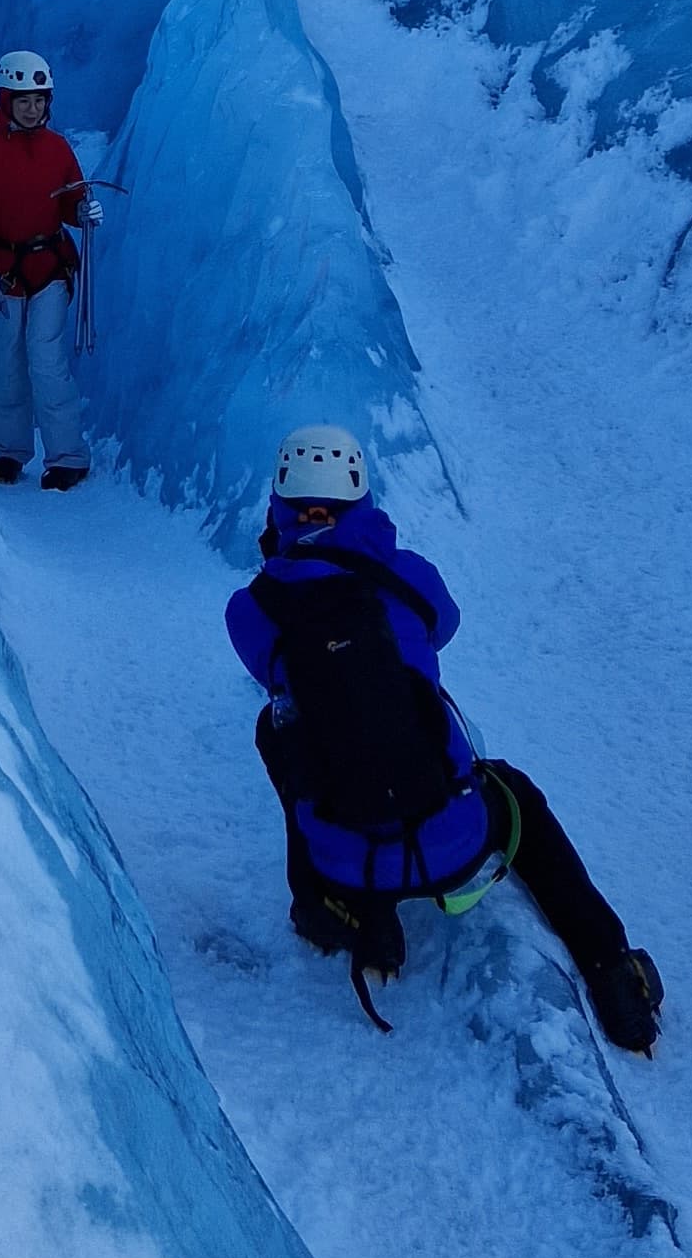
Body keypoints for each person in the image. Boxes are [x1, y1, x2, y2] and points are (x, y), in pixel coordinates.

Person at [227, 425, 662, 1049]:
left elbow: (268, 670)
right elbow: (443, 625)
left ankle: (331, 907)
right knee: (516, 794)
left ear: (279, 507)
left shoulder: (252, 609)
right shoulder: (410, 576)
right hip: (457, 842)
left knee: (283, 731)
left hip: (343, 861)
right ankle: (611, 965)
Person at [0, 48, 92, 490]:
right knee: (9, 365)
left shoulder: (58, 149)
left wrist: (83, 211)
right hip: (4, 275)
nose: (33, 109)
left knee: (46, 361)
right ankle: (10, 453)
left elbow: (71, 199)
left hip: (50, 268)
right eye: (23, 100)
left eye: (39, 100)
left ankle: (68, 456)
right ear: (5, 99)